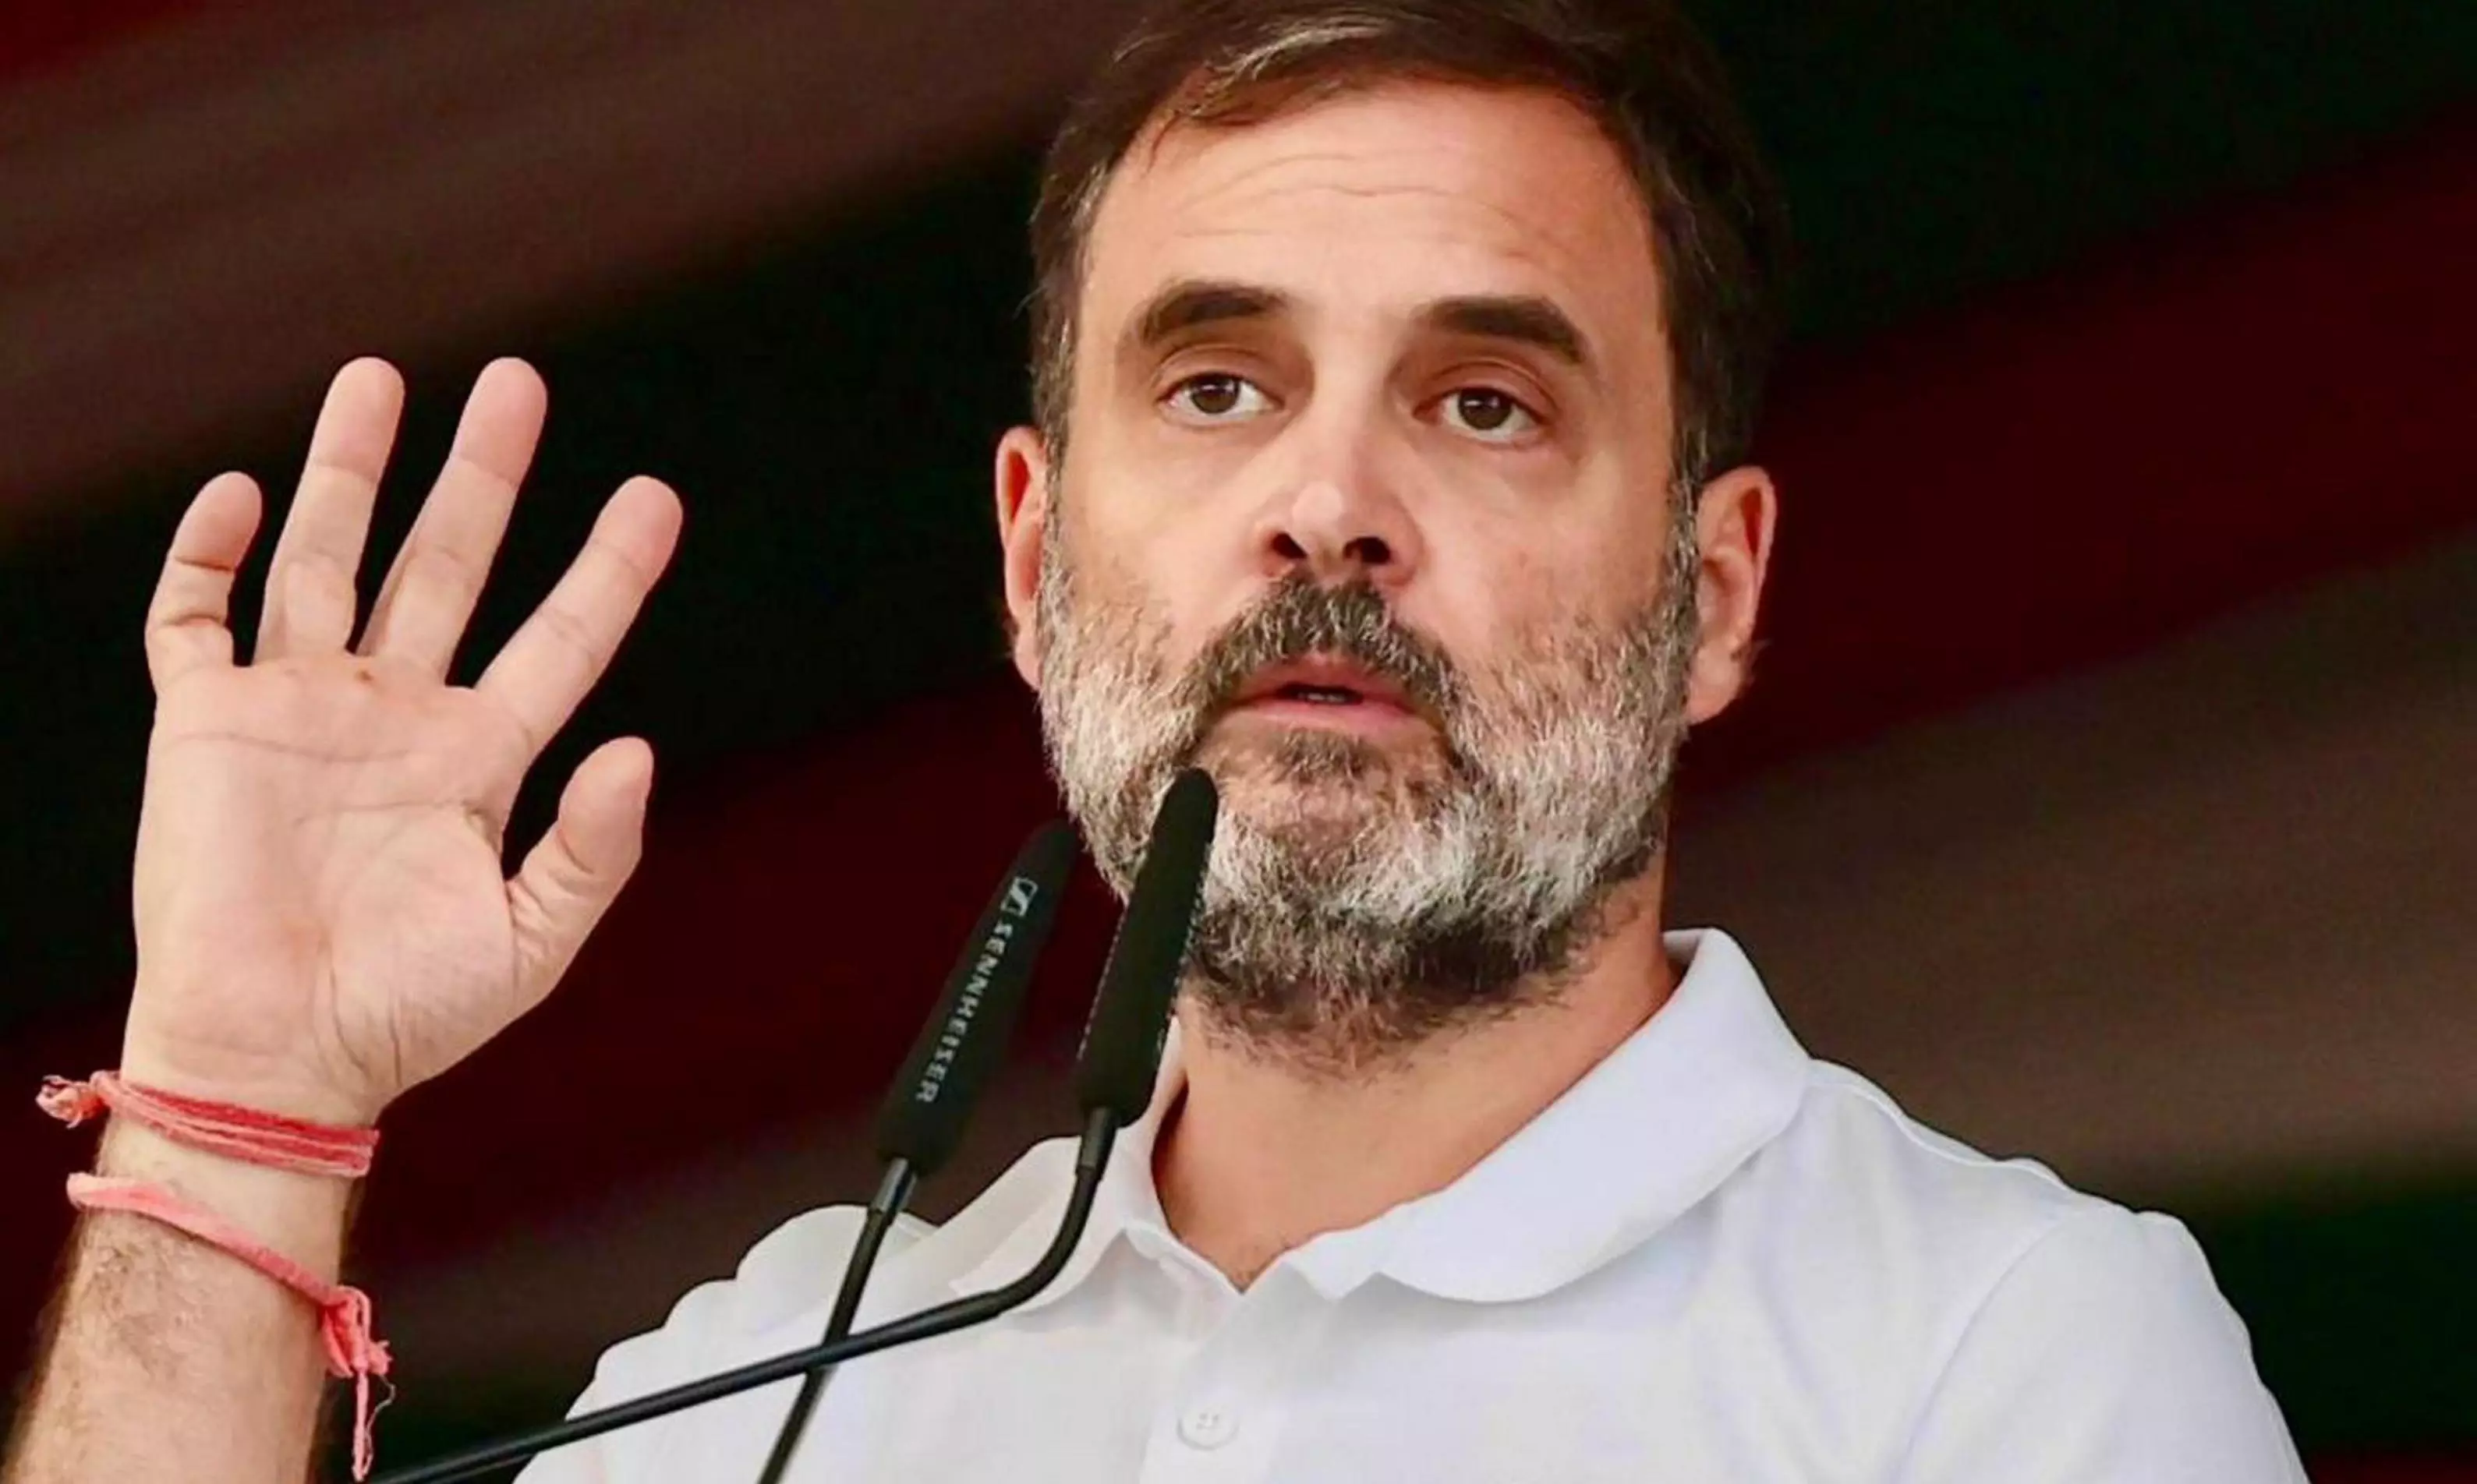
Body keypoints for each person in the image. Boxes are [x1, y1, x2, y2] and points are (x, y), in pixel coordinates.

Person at [5, 1, 2308, 1480]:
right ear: (1031, 560)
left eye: (1484, 403)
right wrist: (238, 1103)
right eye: (1217, 386)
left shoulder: (2004, 1359)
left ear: (1712, 596)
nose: (1328, 502)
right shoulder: (789, 1385)